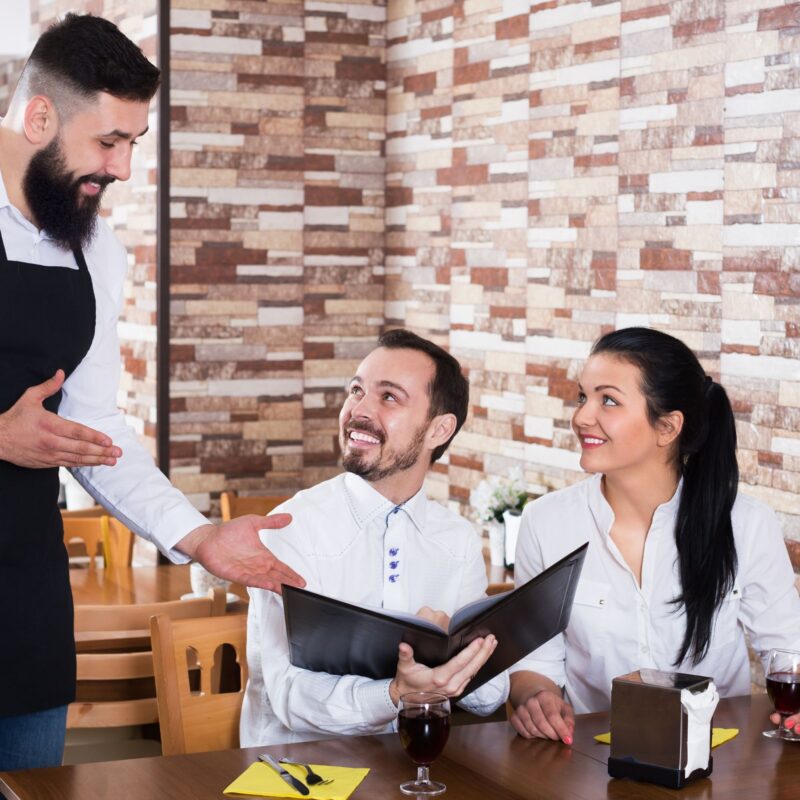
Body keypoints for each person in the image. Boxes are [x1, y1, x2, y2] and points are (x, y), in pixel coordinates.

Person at [0, 14, 303, 771]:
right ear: (40, 116)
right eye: (109, 142)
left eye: (133, 144)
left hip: (21, 600)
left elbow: (96, 427)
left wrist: (198, 536)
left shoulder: (96, 249)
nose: (124, 169)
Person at [508, 327, 800, 744]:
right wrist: (537, 698)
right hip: (593, 764)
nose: (581, 417)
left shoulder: (747, 525)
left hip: (722, 766)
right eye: (583, 397)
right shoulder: (545, 522)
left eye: (607, 400)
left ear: (667, 427)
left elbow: (788, 649)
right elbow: (535, 664)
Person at [240, 329, 509, 746]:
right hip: (298, 777)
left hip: (415, 770)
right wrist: (396, 693)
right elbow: (289, 696)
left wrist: (452, 662)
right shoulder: (290, 528)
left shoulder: (457, 541)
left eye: (388, 397)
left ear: (439, 430)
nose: (358, 410)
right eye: (356, 391)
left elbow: (491, 697)